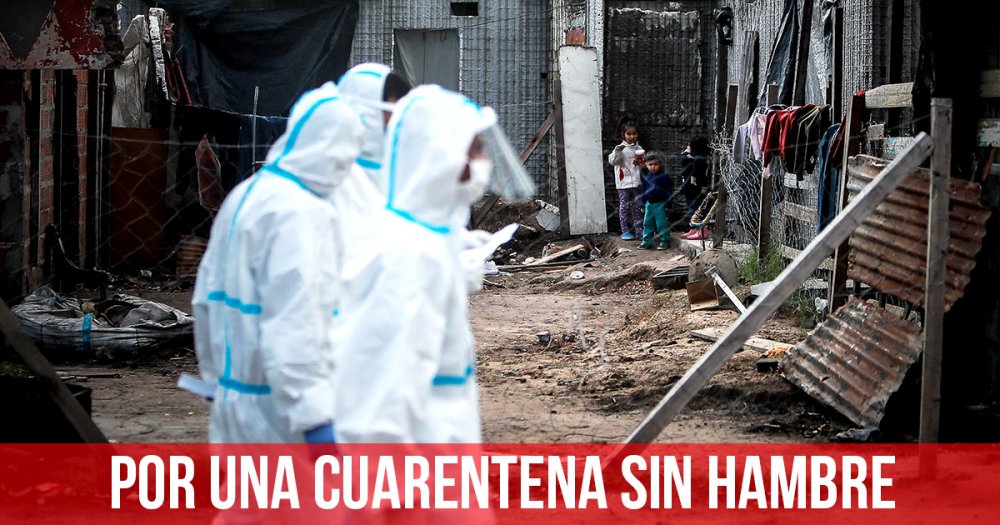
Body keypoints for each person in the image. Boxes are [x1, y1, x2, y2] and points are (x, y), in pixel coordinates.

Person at [333, 85, 521, 444]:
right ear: (443, 155)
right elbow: (385, 391)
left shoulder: (423, 237)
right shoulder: (408, 252)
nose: (484, 161)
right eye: (476, 149)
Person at [192, 81, 362, 443]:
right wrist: (315, 419)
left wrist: (216, 378)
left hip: (235, 402)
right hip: (283, 418)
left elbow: (206, 300)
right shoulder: (299, 213)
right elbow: (294, 323)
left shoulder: (247, 194)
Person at [607, 120, 645, 240]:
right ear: (623, 135)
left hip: (637, 183)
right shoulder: (620, 149)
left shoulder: (639, 148)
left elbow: (642, 165)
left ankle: (639, 231)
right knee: (624, 207)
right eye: (629, 134)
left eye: (634, 134)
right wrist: (618, 151)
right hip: (624, 184)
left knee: (637, 208)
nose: (632, 136)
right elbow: (613, 162)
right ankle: (625, 231)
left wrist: (641, 163)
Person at [638, 151, 673, 250]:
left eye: (655, 164)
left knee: (662, 224)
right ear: (646, 165)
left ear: (660, 164)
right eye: (650, 165)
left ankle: (665, 241)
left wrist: (668, 204)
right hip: (649, 204)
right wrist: (642, 204)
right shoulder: (646, 177)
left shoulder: (664, 177)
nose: (653, 167)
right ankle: (647, 241)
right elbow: (643, 191)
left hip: (660, 204)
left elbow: (669, 191)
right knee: (647, 223)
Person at [679, 136, 711, 232]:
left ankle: (696, 229)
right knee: (696, 207)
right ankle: (694, 229)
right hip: (697, 186)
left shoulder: (694, 158)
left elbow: (684, 159)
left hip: (693, 187)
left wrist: (686, 152)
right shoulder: (702, 158)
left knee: (693, 208)